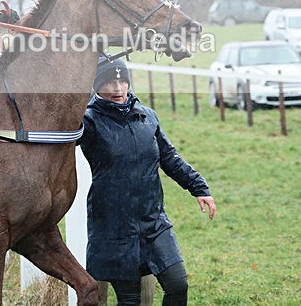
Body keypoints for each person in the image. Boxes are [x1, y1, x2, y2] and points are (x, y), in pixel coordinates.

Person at [78, 56, 216, 306]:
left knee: (178, 285)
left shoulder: (147, 116)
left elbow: (170, 158)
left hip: (153, 222)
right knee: (129, 300)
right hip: (114, 228)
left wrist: (199, 187)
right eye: (109, 82)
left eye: (123, 81)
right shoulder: (87, 121)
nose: (118, 89)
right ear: (95, 85)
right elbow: (55, 138)